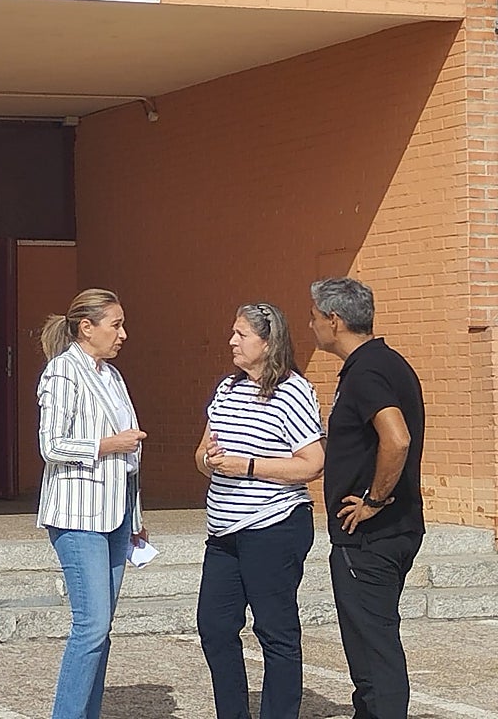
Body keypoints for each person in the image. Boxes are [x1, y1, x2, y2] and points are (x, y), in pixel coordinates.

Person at [193, 302, 326, 719]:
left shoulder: (293, 391)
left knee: (275, 631)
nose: (232, 341)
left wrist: (249, 466)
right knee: (214, 627)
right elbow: (202, 452)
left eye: (242, 334)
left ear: (268, 343)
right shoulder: (226, 389)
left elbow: (312, 463)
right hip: (224, 528)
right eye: (233, 333)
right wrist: (209, 460)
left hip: (274, 526)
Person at [309, 277, 425, 719]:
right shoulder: (388, 363)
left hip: (370, 536)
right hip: (391, 532)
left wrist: (373, 501)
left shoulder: (367, 371)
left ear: (334, 320)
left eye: (315, 316)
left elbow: (396, 439)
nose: (311, 325)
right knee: (369, 642)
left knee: (374, 647)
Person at [36, 288, 147, 719]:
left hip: (117, 512)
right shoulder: (62, 373)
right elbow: (52, 444)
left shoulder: (112, 377)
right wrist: (107, 444)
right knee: (91, 625)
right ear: (87, 327)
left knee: (102, 630)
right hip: (77, 513)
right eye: (115, 325)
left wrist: (136, 515)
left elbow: (131, 455)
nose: (123, 334)